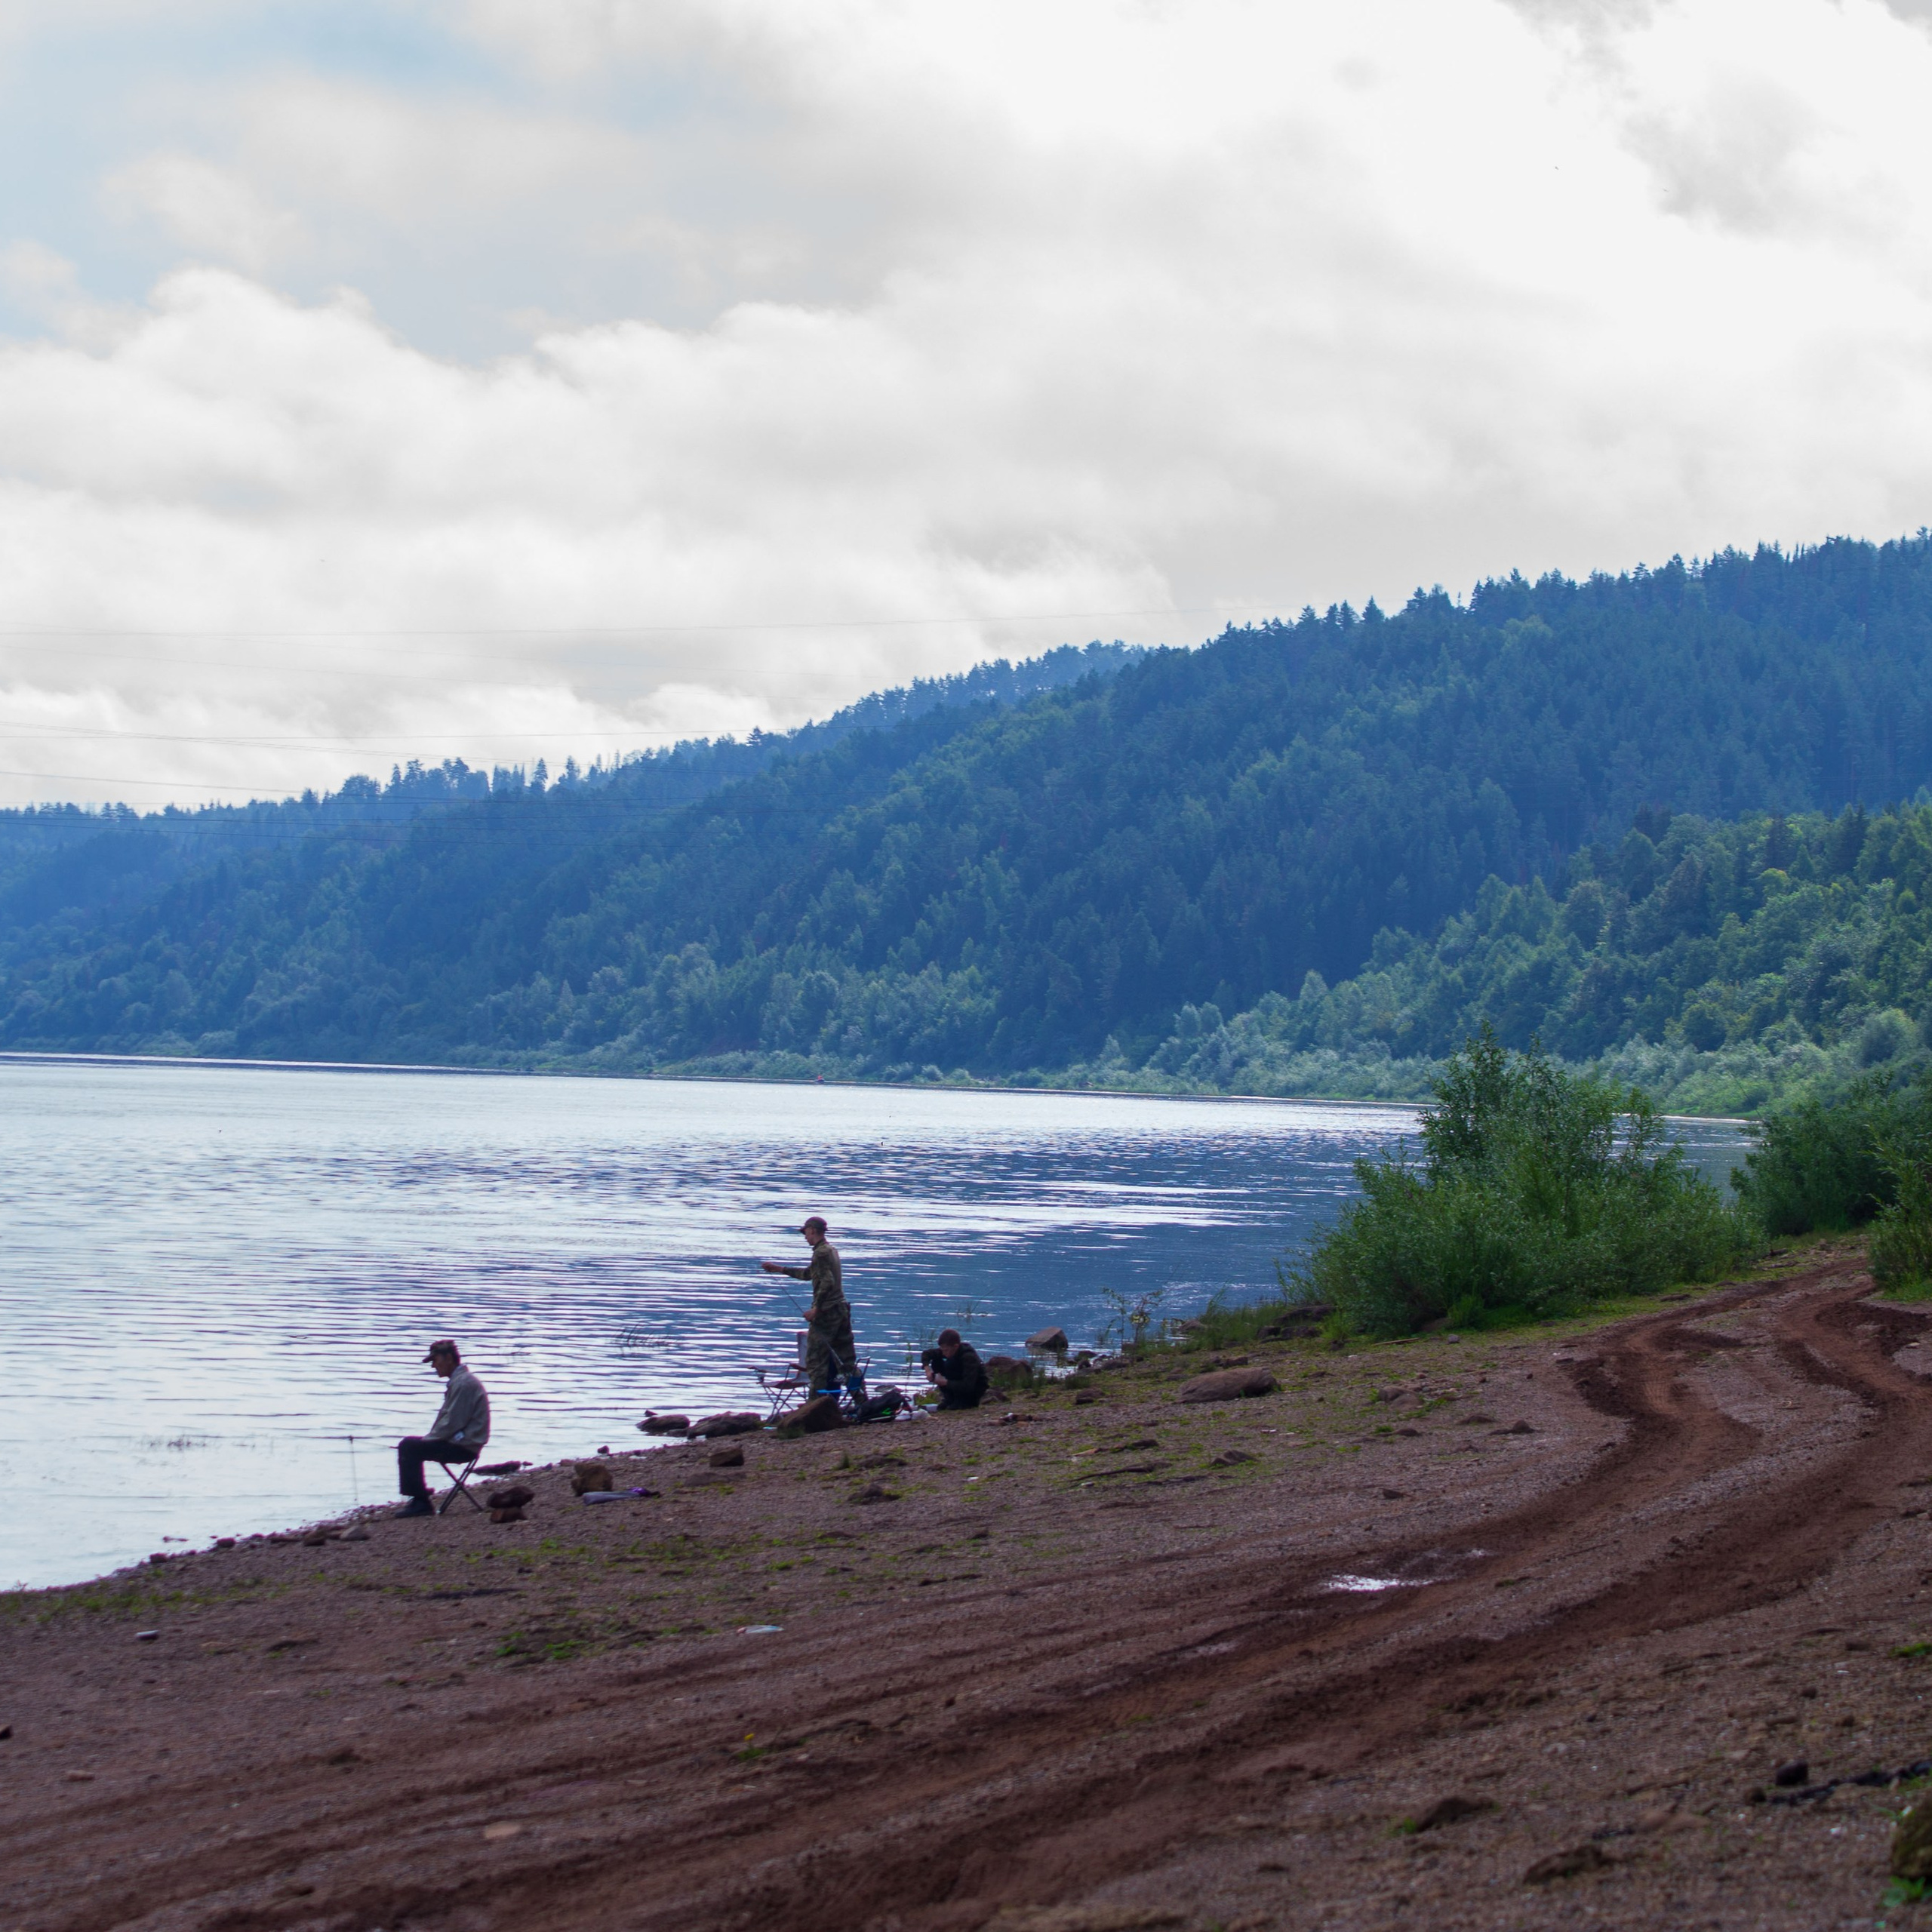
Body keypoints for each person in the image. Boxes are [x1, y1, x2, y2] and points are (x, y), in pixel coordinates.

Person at [394, 1339, 491, 1518]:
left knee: (408, 1446)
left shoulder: (463, 1384)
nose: (433, 1366)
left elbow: (452, 1423)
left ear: (449, 1358)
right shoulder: (461, 1381)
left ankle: (421, 1502)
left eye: (435, 1360)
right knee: (411, 1446)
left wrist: (427, 1440)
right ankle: (419, 1495)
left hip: (463, 1447)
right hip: (462, 1443)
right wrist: (429, 1439)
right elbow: (451, 1423)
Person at [761, 1216, 857, 1395]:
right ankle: (861, 1401)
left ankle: (816, 1403)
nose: (805, 1237)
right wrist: (779, 1269)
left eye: (805, 1233)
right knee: (846, 1362)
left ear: (812, 1230)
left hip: (827, 1314)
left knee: (815, 1362)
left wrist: (816, 1310)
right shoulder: (831, 1250)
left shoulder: (820, 1253)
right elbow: (808, 1274)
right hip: (841, 1310)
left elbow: (827, 1282)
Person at [924, 1328, 989, 1410]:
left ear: (956, 1346)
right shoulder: (949, 1351)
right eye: (942, 1350)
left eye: (946, 1350)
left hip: (972, 1391)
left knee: (950, 1365)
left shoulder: (969, 1357)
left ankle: (963, 1402)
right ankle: (950, 1399)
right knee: (937, 1360)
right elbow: (927, 1354)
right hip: (957, 1383)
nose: (944, 1353)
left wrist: (945, 1382)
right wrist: (928, 1370)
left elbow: (968, 1385)